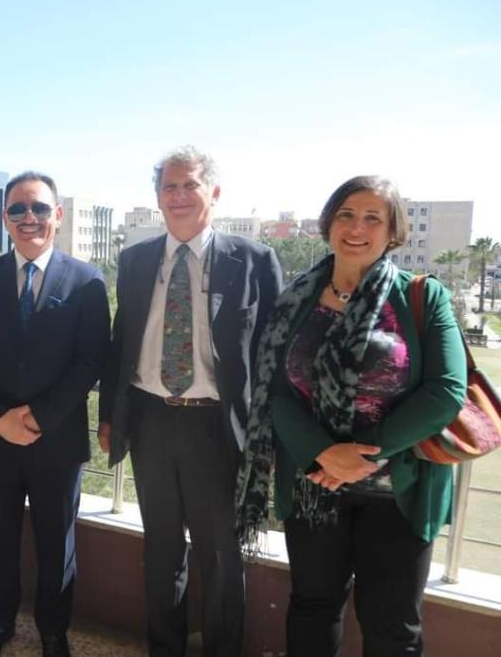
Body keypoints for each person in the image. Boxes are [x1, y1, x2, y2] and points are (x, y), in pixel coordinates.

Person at [236, 176, 465, 656]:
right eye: (346, 214)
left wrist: (362, 455)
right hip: (314, 484)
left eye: (372, 218)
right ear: (328, 224)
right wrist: (323, 453)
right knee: (312, 609)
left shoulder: (422, 297)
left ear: (393, 231)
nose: (356, 227)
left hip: (399, 492)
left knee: (392, 625)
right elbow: (273, 390)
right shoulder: (295, 300)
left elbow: (445, 392)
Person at [99, 146, 282, 657]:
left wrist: (265, 438)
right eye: (169, 187)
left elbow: (275, 355)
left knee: (221, 555)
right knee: (161, 550)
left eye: (190, 185)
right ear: (158, 197)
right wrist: (110, 416)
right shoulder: (135, 260)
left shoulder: (253, 261)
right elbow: (121, 342)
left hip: (217, 429)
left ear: (214, 193)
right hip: (150, 422)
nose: (178, 196)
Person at [0, 171, 110, 657]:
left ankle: (53, 631)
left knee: (55, 541)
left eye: (40, 208)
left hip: (57, 439)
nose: (29, 218)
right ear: (5, 219)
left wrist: (40, 416)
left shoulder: (88, 281)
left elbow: (91, 360)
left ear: (57, 215)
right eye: (17, 209)